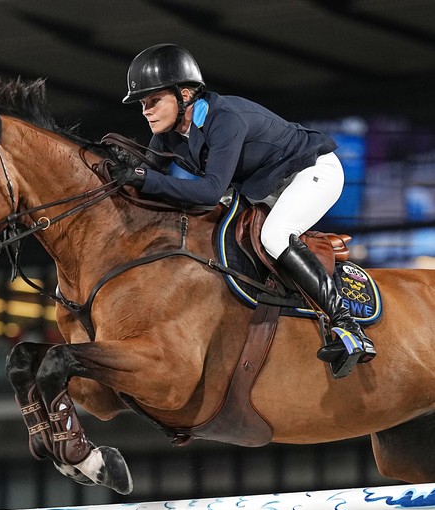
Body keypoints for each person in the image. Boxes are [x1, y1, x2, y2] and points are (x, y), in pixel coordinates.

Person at [111, 43, 375, 367]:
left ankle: (348, 327)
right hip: (266, 188)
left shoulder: (225, 119)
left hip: (313, 172)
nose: (145, 110)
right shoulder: (168, 134)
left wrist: (144, 178)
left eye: (153, 100)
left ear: (184, 95)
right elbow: (146, 177)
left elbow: (208, 191)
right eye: (142, 103)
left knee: (276, 236)